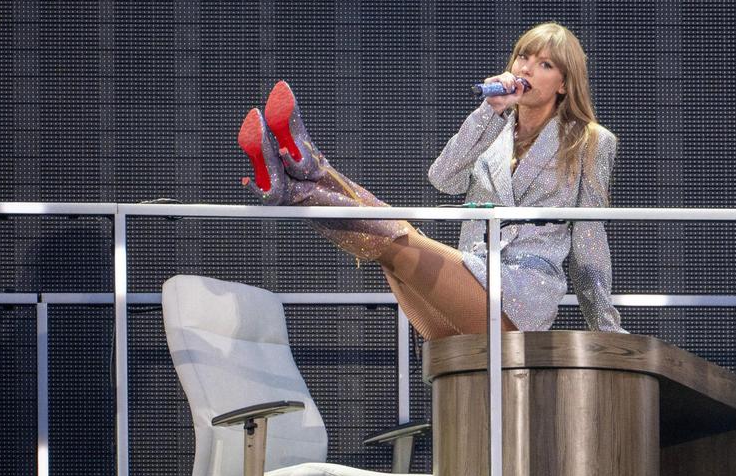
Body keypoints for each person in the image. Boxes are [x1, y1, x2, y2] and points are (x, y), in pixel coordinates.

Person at [237, 22, 623, 340]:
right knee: (390, 241)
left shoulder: (590, 141)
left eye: (545, 64)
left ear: (563, 83)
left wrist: (606, 329)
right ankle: (296, 184)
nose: (526, 69)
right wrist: (490, 111)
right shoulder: (492, 129)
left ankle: (305, 174)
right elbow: (443, 177)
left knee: (397, 239)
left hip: (522, 292)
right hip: (470, 275)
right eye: (523, 57)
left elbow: (589, 242)